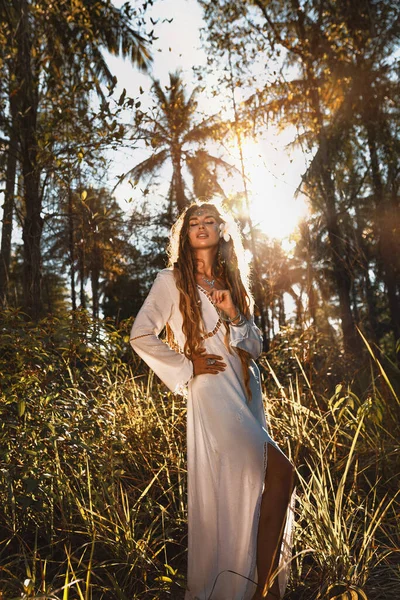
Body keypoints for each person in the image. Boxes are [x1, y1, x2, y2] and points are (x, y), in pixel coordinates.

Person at [130, 202, 295, 600]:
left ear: (222, 230)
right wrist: (186, 364)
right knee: (281, 473)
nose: (201, 227)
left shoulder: (232, 282)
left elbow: (255, 346)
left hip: (246, 392)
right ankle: (253, 591)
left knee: (264, 485)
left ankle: (262, 587)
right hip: (212, 393)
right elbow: (140, 335)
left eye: (209, 221)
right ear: (185, 234)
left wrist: (235, 312)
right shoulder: (169, 280)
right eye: (193, 223)